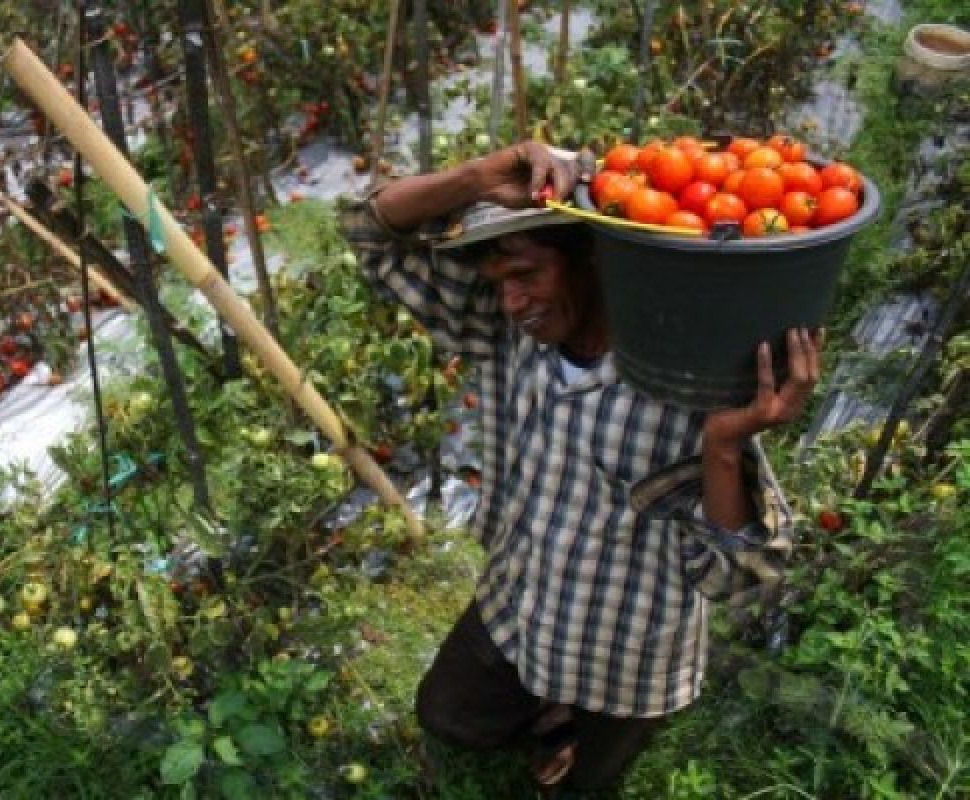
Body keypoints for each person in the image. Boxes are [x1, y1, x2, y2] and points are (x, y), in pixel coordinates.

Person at [339, 141, 821, 797]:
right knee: (447, 716)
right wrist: (480, 175)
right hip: (521, 602)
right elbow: (370, 230)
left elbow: (741, 575)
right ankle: (550, 713)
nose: (511, 301)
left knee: (576, 791)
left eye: (527, 274)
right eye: (498, 283)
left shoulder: (680, 377)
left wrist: (724, 447)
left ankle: (577, 723)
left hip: (624, 649)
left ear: (593, 260)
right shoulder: (504, 334)